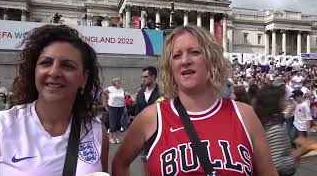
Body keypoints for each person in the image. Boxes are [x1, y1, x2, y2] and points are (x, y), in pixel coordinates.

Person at [112, 25, 277, 175]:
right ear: (170, 67)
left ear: (211, 60)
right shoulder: (151, 118)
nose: (185, 61)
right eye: (176, 56)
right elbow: (119, 163)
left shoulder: (245, 115)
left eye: (195, 52)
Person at [0, 24, 109, 175]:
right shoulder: (1, 126)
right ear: (34, 70)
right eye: (45, 63)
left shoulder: (96, 130)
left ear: (84, 78)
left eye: (67, 66)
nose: (54, 72)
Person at [254, 85, 313, 176]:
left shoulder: (261, 121)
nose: (285, 103)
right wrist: (299, 152)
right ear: (275, 103)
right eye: (282, 100)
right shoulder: (275, 129)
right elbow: (279, 164)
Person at [102, 77, 125, 144]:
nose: (119, 82)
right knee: (112, 123)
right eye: (117, 81)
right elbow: (103, 92)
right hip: (112, 107)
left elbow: (122, 98)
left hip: (121, 107)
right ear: (114, 82)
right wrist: (107, 99)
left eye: (119, 81)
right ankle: (111, 138)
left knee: (118, 123)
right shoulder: (110, 88)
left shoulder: (121, 89)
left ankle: (116, 137)